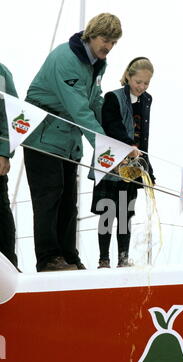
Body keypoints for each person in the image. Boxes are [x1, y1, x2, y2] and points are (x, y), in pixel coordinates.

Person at [23, 13, 122, 272]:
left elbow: (95, 101)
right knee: (49, 198)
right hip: (42, 137)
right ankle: (48, 258)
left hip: (68, 139)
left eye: (113, 42)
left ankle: (68, 256)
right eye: (104, 39)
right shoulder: (66, 58)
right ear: (91, 35)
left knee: (68, 201)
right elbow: (79, 110)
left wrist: (118, 139)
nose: (108, 46)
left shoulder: (98, 63)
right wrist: (104, 149)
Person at [91, 57, 156, 268]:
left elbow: (143, 137)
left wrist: (149, 171)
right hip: (110, 163)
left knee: (125, 214)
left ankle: (122, 258)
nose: (142, 87)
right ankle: (103, 259)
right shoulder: (113, 97)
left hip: (132, 167)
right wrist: (129, 145)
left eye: (146, 83)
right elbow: (112, 126)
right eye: (138, 82)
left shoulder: (147, 100)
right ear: (128, 76)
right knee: (107, 211)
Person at [0, 63, 19, 270]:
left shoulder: (2, 73)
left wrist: (4, 152)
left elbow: (11, 113)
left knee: (1, 209)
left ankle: (9, 266)